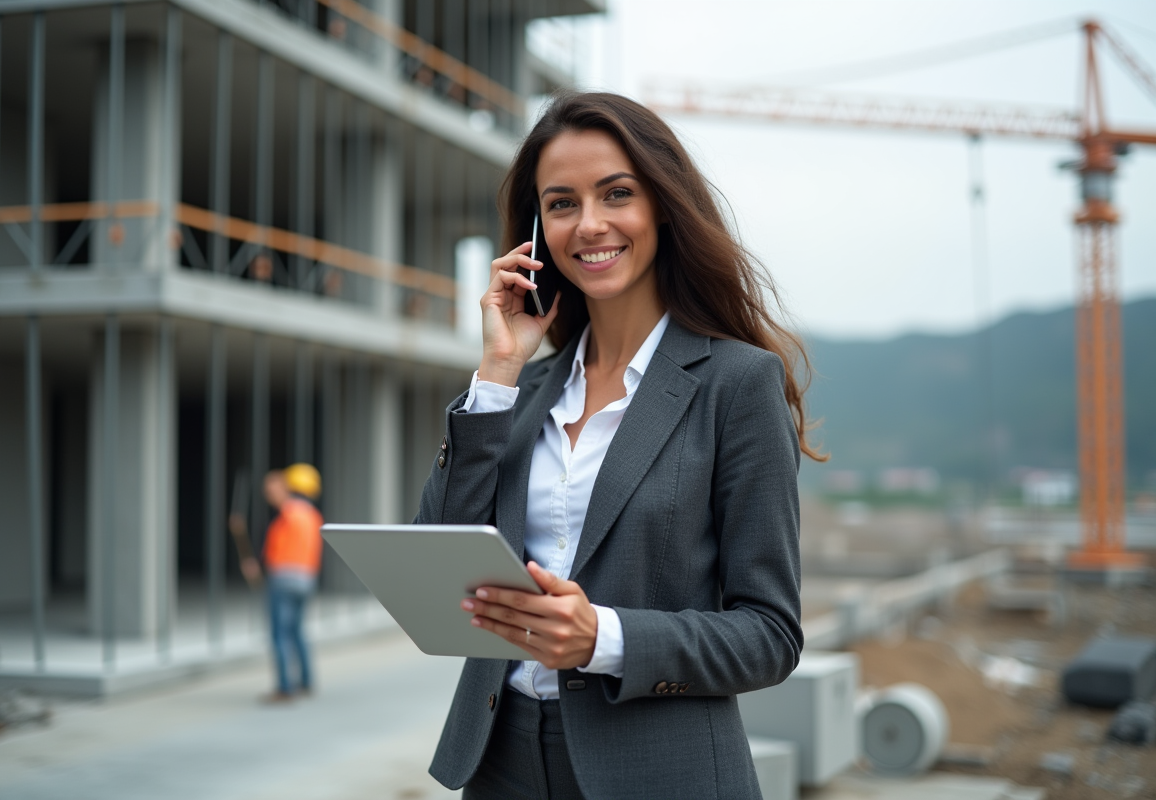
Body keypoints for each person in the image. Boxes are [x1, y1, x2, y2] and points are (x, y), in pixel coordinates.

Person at [414, 91, 826, 799]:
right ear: (537, 232)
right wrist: (497, 371)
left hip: (657, 773)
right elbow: (438, 554)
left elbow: (769, 634)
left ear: (662, 205)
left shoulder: (736, 384)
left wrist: (603, 638)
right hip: (500, 760)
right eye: (562, 203)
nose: (591, 223)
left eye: (617, 194)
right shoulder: (524, 389)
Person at [243, 463, 324, 702]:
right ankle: (306, 680)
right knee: (298, 631)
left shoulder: (287, 514)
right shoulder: (313, 515)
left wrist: (255, 565)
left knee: (279, 634)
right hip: (306, 579)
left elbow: (273, 549)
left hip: (283, 578)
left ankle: (284, 687)